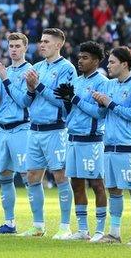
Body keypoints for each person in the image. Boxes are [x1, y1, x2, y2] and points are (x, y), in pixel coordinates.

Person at [18, 28, 76, 239]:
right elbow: (26, 101)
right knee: (32, 176)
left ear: (58, 45)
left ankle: (64, 226)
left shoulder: (67, 69)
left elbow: (63, 100)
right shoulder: (37, 67)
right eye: (41, 41)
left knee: (60, 176)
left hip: (55, 129)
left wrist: (38, 86)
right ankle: (38, 225)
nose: (41, 45)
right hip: (34, 129)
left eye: (46, 42)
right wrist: (30, 89)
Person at [92, 47, 131, 246]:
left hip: (128, 148)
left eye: (112, 62)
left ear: (124, 64)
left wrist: (109, 103)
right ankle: (114, 234)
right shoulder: (109, 85)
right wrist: (100, 103)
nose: (108, 65)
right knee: (114, 190)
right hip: (108, 147)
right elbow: (103, 114)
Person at [54, 41, 109, 242]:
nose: (80, 60)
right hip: (73, 139)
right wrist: (67, 102)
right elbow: (68, 113)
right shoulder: (76, 82)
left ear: (95, 60)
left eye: (85, 57)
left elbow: (100, 113)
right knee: (76, 184)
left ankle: (100, 230)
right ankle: (83, 230)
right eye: (79, 57)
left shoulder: (103, 83)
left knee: (97, 184)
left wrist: (75, 99)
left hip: (92, 141)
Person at [0, 33, 33, 234]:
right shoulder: (5, 70)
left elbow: (23, 101)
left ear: (25, 48)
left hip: (21, 128)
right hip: (2, 129)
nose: (13, 49)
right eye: (10, 46)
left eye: (17, 46)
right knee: (4, 175)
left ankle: (37, 223)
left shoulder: (29, 71)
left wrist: (4, 79)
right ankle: (10, 222)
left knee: (28, 176)